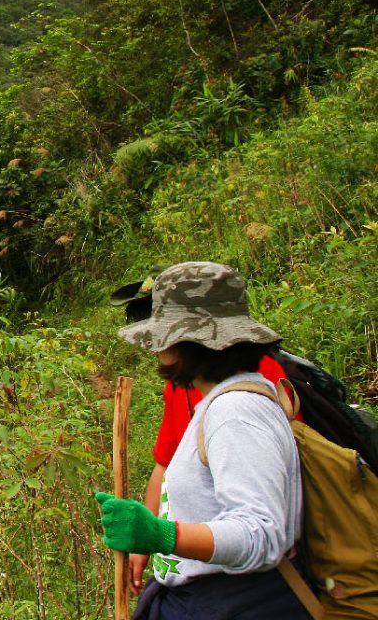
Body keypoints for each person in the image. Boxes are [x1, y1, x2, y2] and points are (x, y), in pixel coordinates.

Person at [95, 261, 308, 618]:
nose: (154, 348)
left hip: (235, 603)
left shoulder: (237, 412)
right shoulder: (220, 401)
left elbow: (261, 535)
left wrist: (161, 535)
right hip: (209, 600)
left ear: (186, 341)